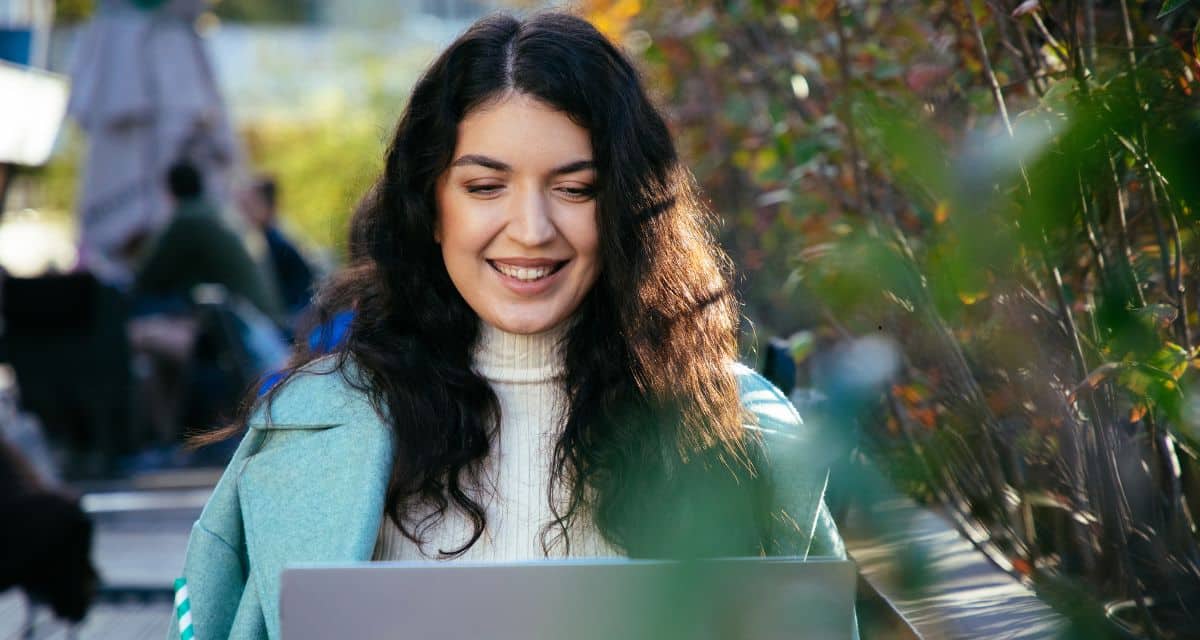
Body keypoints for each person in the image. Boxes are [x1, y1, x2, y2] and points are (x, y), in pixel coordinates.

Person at [168, 13, 852, 640]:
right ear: (431, 206)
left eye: (575, 188)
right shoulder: (307, 427)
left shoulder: (738, 428)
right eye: (485, 186)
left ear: (626, 207)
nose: (530, 230)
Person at [134, 162, 284, 324]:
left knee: (144, 309)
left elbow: (146, 278)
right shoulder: (218, 211)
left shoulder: (188, 218)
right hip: (267, 315)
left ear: (170, 192)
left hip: (252, 323)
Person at [237, 174, 318, 324]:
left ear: (268, 205)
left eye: (252, 204)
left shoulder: (278, 242)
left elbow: (304, 290)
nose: (246, 211)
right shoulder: (267, 239)